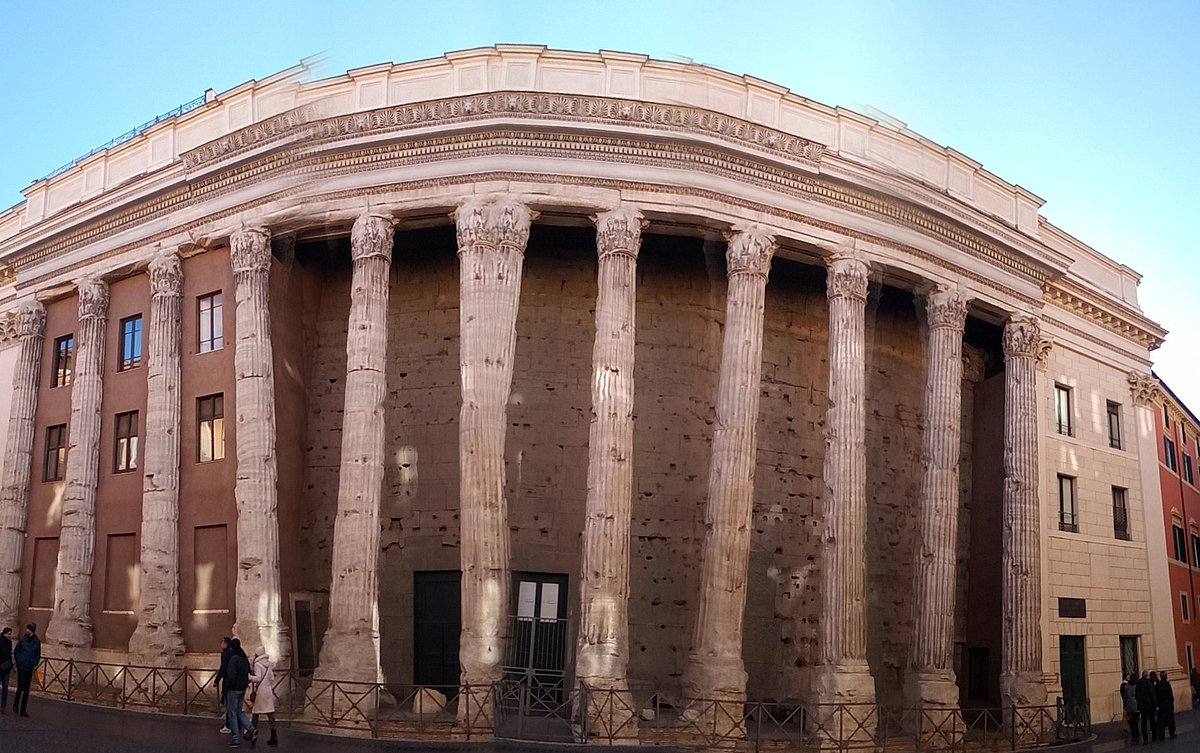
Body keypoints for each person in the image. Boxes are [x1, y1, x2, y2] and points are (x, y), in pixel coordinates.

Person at [223, 638, 256, 747]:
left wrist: (228, 686)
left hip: (233, 688)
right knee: (239, 712)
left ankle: (235, 738)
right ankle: (251, 728)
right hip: (242, 687)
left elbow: (231, 675)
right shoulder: (243, 658)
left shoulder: (234, 659)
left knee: (232, 713)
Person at [248, 652, 279, 747]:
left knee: (256, 713)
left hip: (261, 691)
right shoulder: (268, 664)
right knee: (270, 714)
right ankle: (274, 737)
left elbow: (258, 678)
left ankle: (252, 733)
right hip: (268, 691)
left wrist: (249, 677)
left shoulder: (258, 664)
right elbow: (271, 677)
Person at [12, 622, 41, 718]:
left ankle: (23, 710)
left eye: (29, 629)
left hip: (29, 667)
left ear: (32, 630)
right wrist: (19, 661)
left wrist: (34, 663)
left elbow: (37, 654)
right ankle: (15, 705)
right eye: (27, 628)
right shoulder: (22, 639)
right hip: (21, 666)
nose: (27, 630)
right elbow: (17, 651)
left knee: (27, 690)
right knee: (20, 686)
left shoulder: (37, 641)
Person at [214, 637, 233, 733]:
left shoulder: (225, 653)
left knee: (228, 705)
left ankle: (229, 725)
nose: (221, 643)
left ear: (226, 643)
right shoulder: (232, 653)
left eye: (222, 641)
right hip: (233, 681)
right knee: (233, 706)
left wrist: (217, 680)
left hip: (227, 682)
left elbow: (223, 668)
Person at [1136, 670, 1157, 742]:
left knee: (1143, 722)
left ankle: (1145, 738)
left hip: (1142, 705)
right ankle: (1154, 736)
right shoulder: (1149, 683)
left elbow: (1137, 695)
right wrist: (1155, 704)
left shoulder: (1138, 683)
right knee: (1152, 720)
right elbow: (1152, 693)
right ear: (1147, 675)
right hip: (1150, 705)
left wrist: (1138, 705)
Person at [1154, 671, 1175, 740]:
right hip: (1168, 705)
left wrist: (1157, 704)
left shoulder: (1158, 684)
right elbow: (1170, 694)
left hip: (1161, 705)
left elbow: (1156, 695)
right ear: (1165, 676)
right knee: (1170, 720)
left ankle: (1161, 736)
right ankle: (1172, 733)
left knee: (1161, 721)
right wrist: (1171, 702)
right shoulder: (1167, 684)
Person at [1121, 673, 1140, 739]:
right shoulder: (1137, 686)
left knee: (1131, 720)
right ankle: (1136, 732)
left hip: (1128, 705)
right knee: (1136, 720)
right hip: (1136, 705)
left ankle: (1133, 731)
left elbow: (1125, 696)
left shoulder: (1127, 686)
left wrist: (1125, 705)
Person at [0, 627, 12, 715]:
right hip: (1, 667)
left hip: (6, 668)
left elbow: (9, 655)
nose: (10, 636)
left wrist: (10, 665)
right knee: (5, 687)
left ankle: (3, 707)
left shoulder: (9, 642)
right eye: (9, 634)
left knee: (5, 687)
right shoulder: (1, 641)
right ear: (5, 633)